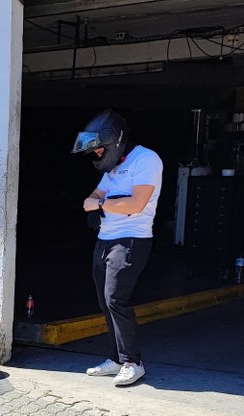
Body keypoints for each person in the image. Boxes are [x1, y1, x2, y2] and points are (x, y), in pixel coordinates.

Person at [73, 109, 163, 388]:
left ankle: (133, 362)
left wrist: (100, 204)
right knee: (104, 300)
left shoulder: (146, 160)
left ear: (114, 141)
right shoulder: (114, 167)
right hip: (106, 238)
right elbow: (95, 193)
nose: (98, 156)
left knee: (116, 298)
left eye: (100, 150)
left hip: (131, 239)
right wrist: (99, 201)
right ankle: (115, 358)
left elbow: (136, 204)